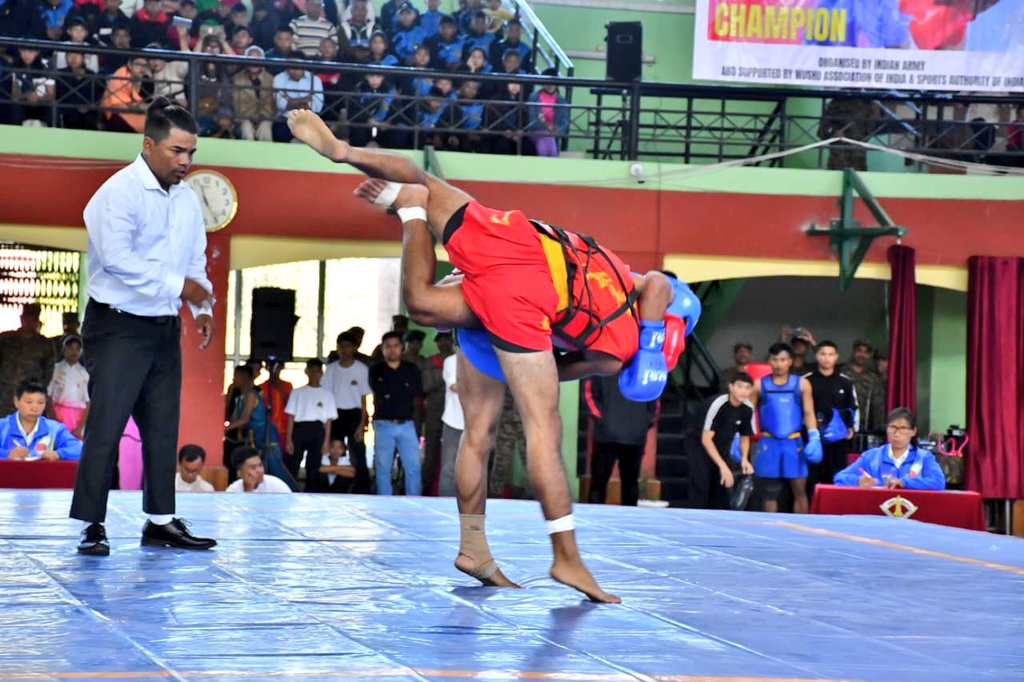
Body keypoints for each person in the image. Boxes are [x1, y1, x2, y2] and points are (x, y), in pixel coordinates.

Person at [286, 109, 697, 602]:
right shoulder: (627, 340)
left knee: (426, 196)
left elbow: (645, 289)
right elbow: (632, 310)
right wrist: (647, 343)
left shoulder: (626, 278)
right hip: (525, 299)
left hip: (515, 239)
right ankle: (566, 558)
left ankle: (353, 159)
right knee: (542, 426)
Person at [71, 98, 217, 556]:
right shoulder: (117, 193)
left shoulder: (189, 199)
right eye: (177, 151)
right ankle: (92, 524)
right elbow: (117, 261)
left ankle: (159, 521)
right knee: (107, 427)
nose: (186, 161)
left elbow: (195, 260)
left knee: (161, 426)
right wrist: (183, 288)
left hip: (162, 326)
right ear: (149, 144)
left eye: (191, 152)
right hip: (116, 327)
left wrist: (202, 306)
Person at [749, 343, 821, 515]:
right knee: (769, 493)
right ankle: (769, 531)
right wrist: (741, 437)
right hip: (769, 442)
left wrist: (814, 435)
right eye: (775, 359)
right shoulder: (759, 385)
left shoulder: (802, 384)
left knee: (799, 490)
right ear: (769, 361)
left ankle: (802, 530)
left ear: (790, 361)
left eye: (783, 359)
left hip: (793, 442)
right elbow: (748, 413)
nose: (779, 364)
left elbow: (809, 412)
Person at [584, 371, 657, 507]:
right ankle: (629, 521)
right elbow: (654, 403)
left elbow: (589, 395)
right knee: (630, 485)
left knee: (598, 484)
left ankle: (592, 519)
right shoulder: (645, 368)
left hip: (607, 435)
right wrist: (644, 422)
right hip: (634, 434)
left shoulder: (602, 366)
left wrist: (601, 420)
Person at [834, 408, 945, 490]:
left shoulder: (924, 457)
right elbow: (839, 478)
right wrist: (858, 481)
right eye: (892, 427)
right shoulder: (871, 456)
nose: (896, 434)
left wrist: (904, 482)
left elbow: (938, 482)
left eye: (903, 428)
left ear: (913, 431)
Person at [369, 331, 424, 495]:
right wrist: (399, 392)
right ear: (383, 348)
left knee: (413, 468)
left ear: (402, 347)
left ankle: (414, 504)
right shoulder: (376, 370)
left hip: (406, 424)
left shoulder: (411, 369)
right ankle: (385, 504)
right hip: (383, 424)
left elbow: (415, 391)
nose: (392, 350)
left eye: (396, 346)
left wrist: (393, 394)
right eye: (388, 347)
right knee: (383, 469)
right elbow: (380, 392)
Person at [804, 341, 859, 496]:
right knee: (810, 481)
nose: (826, 358)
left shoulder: (845, 382)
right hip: (813, 439)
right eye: (822, 354)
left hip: (838, 441)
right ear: (816, 356)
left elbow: (854, 408)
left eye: (830, 354)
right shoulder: (806, 381)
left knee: (835, 480)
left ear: (836, 357)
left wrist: (852, 429)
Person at [322, 331, 372, 492]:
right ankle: (335, 486)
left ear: (354, 348)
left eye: (348, 346)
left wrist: (362, 423)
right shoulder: (331, 369)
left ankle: (362, 489)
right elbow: (326, 396)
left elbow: (365, 399)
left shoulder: (362, 369)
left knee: (358, 452)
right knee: (334, 451)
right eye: (341, 347)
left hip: (354, 414)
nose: (344, 350)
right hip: (335, 414)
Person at [700, 372, 755, 510]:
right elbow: (706, 439)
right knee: (702, 484)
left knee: (723, 486)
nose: (743, 391)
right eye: (740, 386)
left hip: (723, 444)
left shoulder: (747, 408)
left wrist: (744, 459)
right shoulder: (719, 405)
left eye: (748, 388)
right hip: (700, 445)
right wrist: (723, 466)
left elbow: (744, 436)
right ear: (731, 387)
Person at [284, 358, 337, 491]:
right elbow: (291, 417)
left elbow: (328, 421)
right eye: (312, 371)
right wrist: (288, 440)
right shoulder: (297, 393)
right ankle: (290, 491)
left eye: (318, 372)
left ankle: (311, 493)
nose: (315, 374)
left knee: (313, 466)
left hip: (317, 429)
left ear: (322, 373)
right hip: (300, 429)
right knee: (293, 463)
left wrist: (326, 442)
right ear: (306, 372)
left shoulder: (327, 395)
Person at [0, 381, 82, 461]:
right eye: (29, 402)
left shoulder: (54, 428)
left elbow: (79, 449)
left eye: (40, 402)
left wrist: (59, 454)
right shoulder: (2, 426)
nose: (34, 408)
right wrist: (6, 454)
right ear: (16, 402)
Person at [0, 303, 56, 418]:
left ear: (37, 321)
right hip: (4, 396)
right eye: (26, 318)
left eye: (32, 319)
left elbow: (49, 371)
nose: (29, 322)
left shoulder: (45, 344)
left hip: (29, 397)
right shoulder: (5, 339)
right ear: (21, 318)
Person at [48, 336, 90, 438]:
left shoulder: (84, 373)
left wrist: (80, 426)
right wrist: (54, 419)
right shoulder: (55, 369)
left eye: (77, 348)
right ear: (64, 350)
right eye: (70, 348)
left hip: (78, 417)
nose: (73, 351)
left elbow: (88, 401)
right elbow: (48, 396)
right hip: (58, 414)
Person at [438, 350, 464, 497]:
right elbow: (454, 386)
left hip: (477, 423)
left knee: (476, 468)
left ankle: (474, 506)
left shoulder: (484, 359)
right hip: (454, 422)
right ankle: (445, 506)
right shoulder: (451, 360)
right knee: (448, 469)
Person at [258, 360, 292, 452]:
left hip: (283, 428)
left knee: (282, 454)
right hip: (266, 426)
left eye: (278, 369)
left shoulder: (287, 385)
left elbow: (291, 405)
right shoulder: (261, 386)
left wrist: (280, 389)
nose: (275, 372)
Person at [225, 446, 293, 492]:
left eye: (260, 465)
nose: (260, 471)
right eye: (253, 467)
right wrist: (248, 491)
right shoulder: (233, 490)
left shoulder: (276, 486)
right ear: (239, 473)